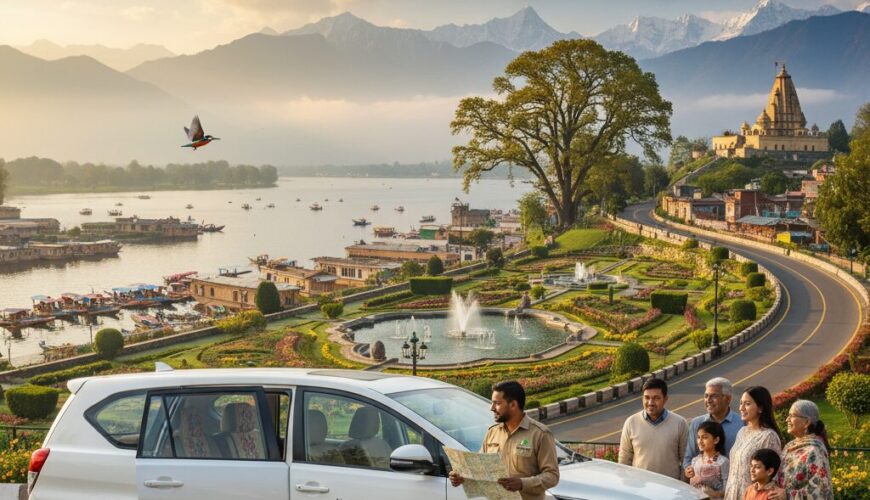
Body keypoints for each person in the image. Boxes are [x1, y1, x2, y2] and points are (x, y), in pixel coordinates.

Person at [449, 380, 559, 500]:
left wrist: (522, 483)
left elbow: (552, 476)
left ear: (513, 405)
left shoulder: (540, 434)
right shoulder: (492, 433)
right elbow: (479, 468)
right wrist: (461, 476)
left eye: (497, 403)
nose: (492, 408)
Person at [618, 378, 688, 480]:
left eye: (656, 398)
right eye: (647, 397)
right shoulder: (631, 422)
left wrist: (681, 487)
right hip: (639, 488)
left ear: (665, 399)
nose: (650, 402)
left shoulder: (680, 423)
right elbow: (624, 460)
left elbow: (686, 460)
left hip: (670, 489)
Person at [723, 387, 782, 500]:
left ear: (760, 408)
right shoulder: (742, 431)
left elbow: (774, 474)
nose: (741, 408)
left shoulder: (768, 436)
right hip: (731, 494)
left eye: (747, 404)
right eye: (741, 403)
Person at [769, 400, 833, 500]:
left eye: (792, 416)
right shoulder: (790, 446)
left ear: (807, 422)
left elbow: (821, 491)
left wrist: (788, 495)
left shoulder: (815, 451)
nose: (787, 420)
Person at [683, 377, 745, 470]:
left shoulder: (742, 424)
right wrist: (690, 471)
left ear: (728, 399)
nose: (708, 400)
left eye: (714, 396)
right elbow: (688, 459)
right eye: (706, 396)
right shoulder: (697, 423)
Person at [685, 421, 729, 498]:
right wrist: (688, 474)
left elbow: (728, 491)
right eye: (698, 437)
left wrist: (715, 494)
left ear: (716, 440)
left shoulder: (723, 462)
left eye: (705, 437)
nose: (700, 441)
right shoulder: (695, 461)